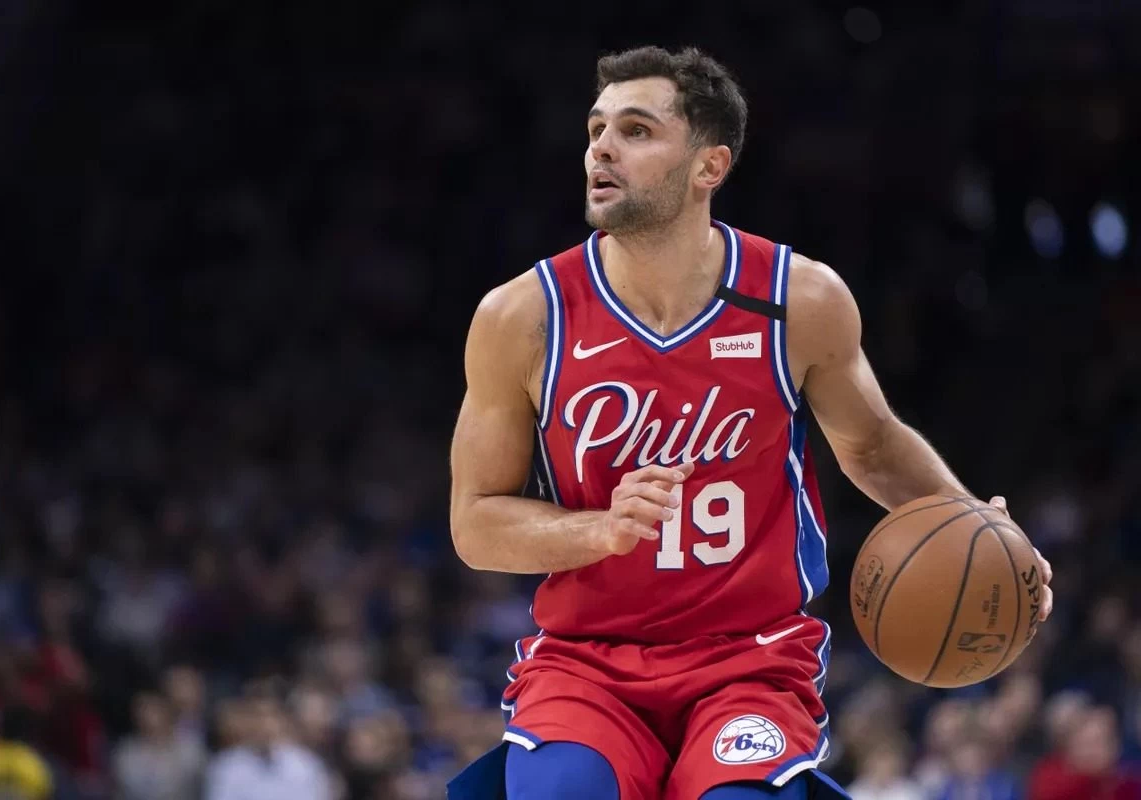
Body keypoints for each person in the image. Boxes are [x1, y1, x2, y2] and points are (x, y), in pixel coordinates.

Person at [445, 45, 1055, 800]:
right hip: (587, 660)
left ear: (710, 166)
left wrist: (979, 528)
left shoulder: (798, 299)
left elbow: (871, 444)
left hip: (751, 658)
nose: (600, 146)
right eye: (596, 127)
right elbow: (474, 524)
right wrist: (598, 529)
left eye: (636, 130)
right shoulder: (524, 317)